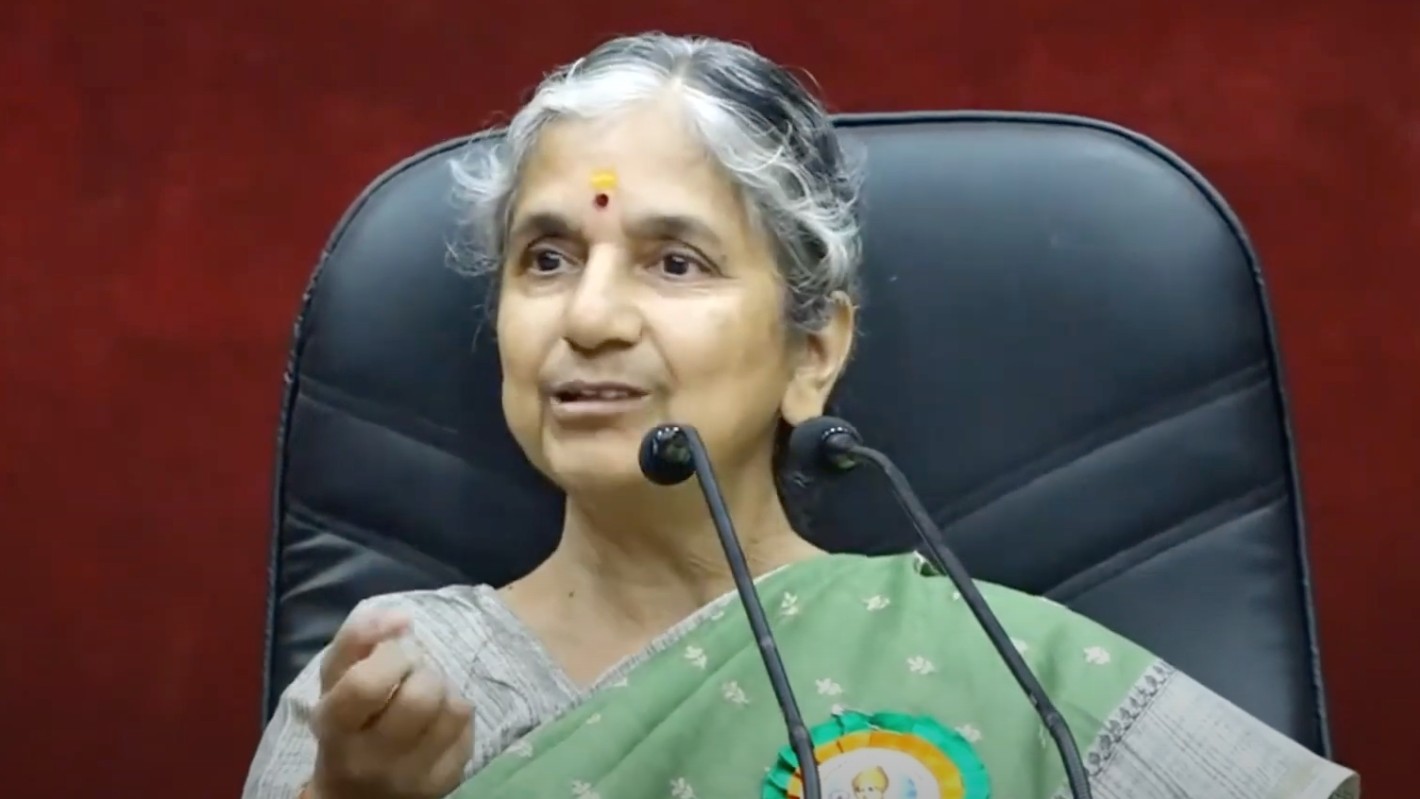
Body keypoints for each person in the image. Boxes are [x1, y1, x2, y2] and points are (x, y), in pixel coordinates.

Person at [243, 33, 1360, 799]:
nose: (587, 317)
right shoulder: (386, 687)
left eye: (674, 261)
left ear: (812, 352)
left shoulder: (991, 657)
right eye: (546, 258)